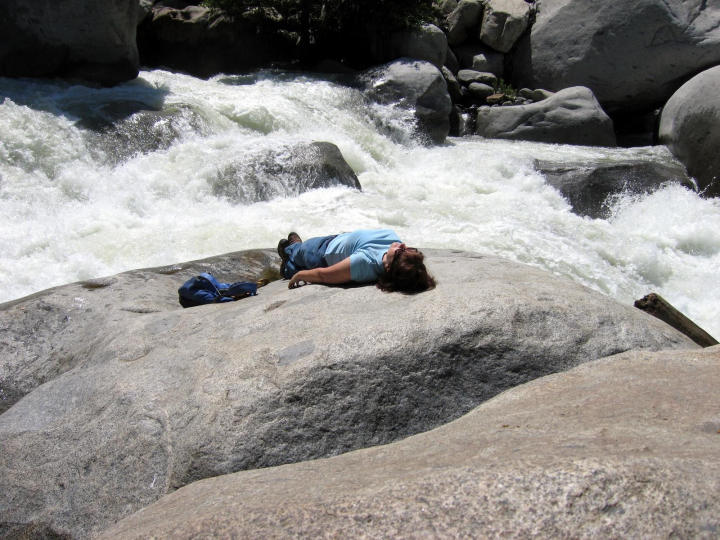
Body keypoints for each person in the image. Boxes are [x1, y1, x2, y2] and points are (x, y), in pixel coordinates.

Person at [277, 229, 436, 293]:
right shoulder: (394, 245)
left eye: (400, 251)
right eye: (408, 249)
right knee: (296, 259)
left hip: (322, 252)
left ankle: (291, 252)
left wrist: (300, 275)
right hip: (338, 239)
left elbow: (325, 275)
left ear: (388, 267)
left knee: (299, 252)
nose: (402, 245)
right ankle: (288, 265)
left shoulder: (364, 263)